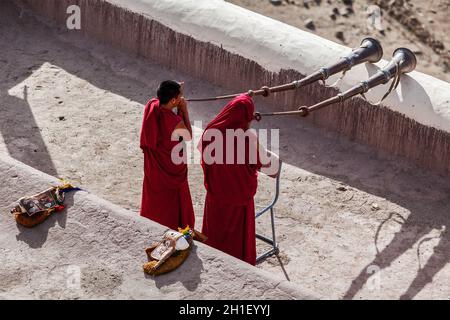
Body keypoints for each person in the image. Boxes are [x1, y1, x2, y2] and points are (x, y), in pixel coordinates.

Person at [198, 93, 279, 265]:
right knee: (237, 241)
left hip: (216, 196)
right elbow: (270, 168)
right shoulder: (248, 138)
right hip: (238, 198)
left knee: (216, 235)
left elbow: (201, 149)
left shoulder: (212, 132)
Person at [140, 80, 195, 230]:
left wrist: (173, 90)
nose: (181, 98)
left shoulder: (152, 105)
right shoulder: (175, 121)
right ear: (173, 100)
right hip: (170, 168)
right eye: (179, 97)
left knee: (156, 199)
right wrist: (184, 110)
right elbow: (188, 135)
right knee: (171, 200)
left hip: (155, 166)